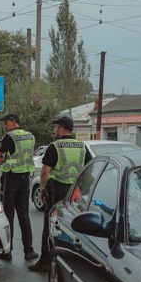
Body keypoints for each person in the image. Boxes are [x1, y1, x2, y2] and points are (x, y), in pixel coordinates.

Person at [29, 115, 86, 272]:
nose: (55, 130)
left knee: (50, 225)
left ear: (61, 128)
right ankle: (71, 261)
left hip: (57, 191)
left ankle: (45, 261)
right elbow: (88, 169)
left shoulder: (55, 146)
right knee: (72, 226)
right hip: (75, 193)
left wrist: (41, 191)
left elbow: (45, 172)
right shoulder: (82, 146)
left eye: (56, 127)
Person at [0, 113, 37, 262]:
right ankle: (29, 251)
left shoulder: (9, 137)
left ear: (13, 122)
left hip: (11, 179)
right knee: (24, 215)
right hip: (25, 179)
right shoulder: (31, 136)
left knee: (8, 215)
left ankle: (7, 251)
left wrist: (3, 161)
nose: (5, 126)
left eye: (6, 123)